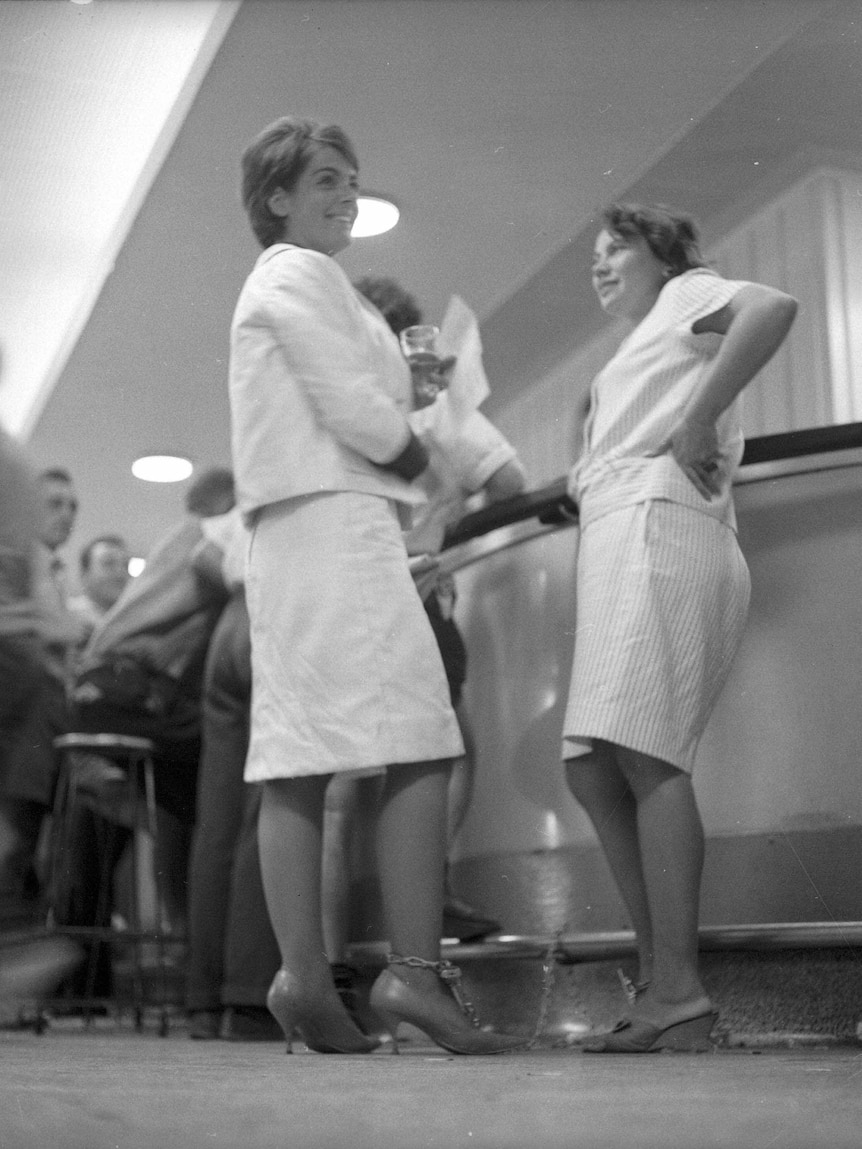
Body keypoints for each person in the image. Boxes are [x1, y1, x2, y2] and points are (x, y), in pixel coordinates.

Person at [229, 115, 524, 1054]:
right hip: (336, 520)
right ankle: (413, 973)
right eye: (326, 179)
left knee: (299, 754)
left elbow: (349, 390)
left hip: (301, 523)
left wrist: (408, 390)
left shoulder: (308, 285)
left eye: (353, 179)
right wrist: (419, 455)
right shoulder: (299, 274)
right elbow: (344, 400)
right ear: (276, 198)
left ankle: (306, 981)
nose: (348, 194)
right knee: (424, 739)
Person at [561, 202, 797, 1053]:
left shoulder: (689, 292)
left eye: (616, 246)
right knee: (593, 766)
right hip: (627, 533)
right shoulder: (642, 340)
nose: (599, 262)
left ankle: (679, 990)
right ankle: (664, 981)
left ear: (665, 255)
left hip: (664, 526)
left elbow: (771, 307)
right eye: (594, 252)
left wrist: (699, 418)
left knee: (644, 752)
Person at [353, 274, 527, 941]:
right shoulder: (431, 402)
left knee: (349, 781)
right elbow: (510, 479)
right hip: (419, 587)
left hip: (360, 587)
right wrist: (453, 504)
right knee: (447, 747)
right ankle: (430, 901)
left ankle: (357, 941)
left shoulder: (347, 400)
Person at [52, 468, 235, 1004]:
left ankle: (189, 948)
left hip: (100, 695)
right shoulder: (211, 538)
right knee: (222, 786)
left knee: (187, 805)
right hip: (125, 692)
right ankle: (203, 957)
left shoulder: (174, 543)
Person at [0, 466, 87, 930]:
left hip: (39, 717)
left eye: (73, 506)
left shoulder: (48, 568)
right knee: (16, 834)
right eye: (55, 503)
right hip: (26, 717)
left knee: (23, 836)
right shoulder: (23, 557)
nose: (67, 514)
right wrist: (84, 628)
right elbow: (46, 627)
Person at [68, 535, 131, 642]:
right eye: (108, 563)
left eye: (126, 565)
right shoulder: (67, 619)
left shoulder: (133, 622)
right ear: (84, 575)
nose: (121, 573)